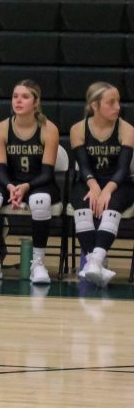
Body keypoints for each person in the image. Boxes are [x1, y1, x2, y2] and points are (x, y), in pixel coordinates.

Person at [0, 80, 60, 284]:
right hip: (10, 183)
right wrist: (12, 187)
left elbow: (47, 173)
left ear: (36, 102)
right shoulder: (2, 128)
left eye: (25, 96)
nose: (18, 100)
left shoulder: (48, 129)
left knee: (40, 201)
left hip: (39, 184)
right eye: (15, 96)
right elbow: (0, 169)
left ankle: (38, 263)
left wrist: (26, 187)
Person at [67, 81, 134, 286]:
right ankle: (95, 264)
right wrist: (94, 186)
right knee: (82, 209)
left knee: (110, 209)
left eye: (118, 102)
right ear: (95, 106)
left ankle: (94, 261)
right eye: (111, 102)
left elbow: (123, 168)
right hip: (89, 182)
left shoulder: (127, 129)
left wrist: (107, 190)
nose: (117, 107)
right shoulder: (78, 129)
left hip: (119, 183)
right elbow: (83, 165)